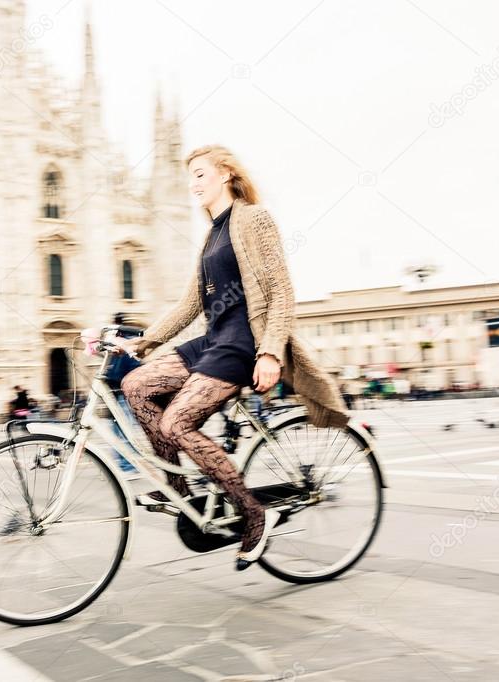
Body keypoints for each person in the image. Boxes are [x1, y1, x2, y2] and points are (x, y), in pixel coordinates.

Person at [119, 145, 348, 571]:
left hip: (244, 343)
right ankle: (179, 490)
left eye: (201, 174)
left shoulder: (253, 218)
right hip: (214, 339)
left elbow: (281, 290)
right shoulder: (212, 233)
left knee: (175, 422)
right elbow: (189, 303)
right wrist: (143, 342)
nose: (193, 184)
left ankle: (254, 514)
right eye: (190, 177)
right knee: (135, 384)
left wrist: (270, 352)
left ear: (225, 173)